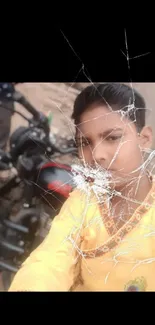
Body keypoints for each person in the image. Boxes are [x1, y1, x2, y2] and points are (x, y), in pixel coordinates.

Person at [8, 83, 155, 292]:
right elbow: (50, 259)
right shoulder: (83, 201)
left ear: (144, 139)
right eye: (85, 142)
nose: (96, 155)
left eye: (113, 138)